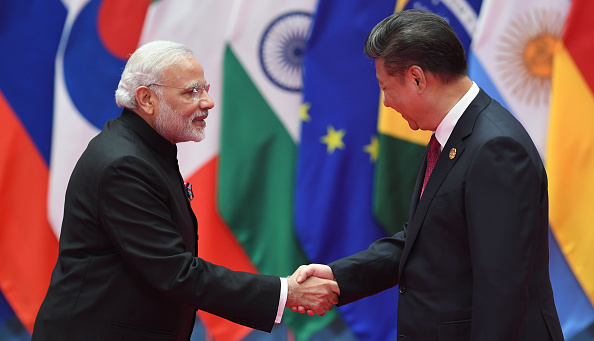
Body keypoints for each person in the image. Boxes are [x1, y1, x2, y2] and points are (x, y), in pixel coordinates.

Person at [32, 40, 338, 341]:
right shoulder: (123, 164)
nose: (208, 102)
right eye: (192, 91)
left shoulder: (142, 148)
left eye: (205, 89)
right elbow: (175, 272)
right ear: (146, 99)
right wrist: (287, 291)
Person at [294, 9, 564, 341]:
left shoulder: (496, 148)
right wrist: (338, 276)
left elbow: (502, 290)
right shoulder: (452, 134)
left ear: (417, 78)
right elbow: (422, 239)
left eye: (386, 87)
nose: (386, 103)